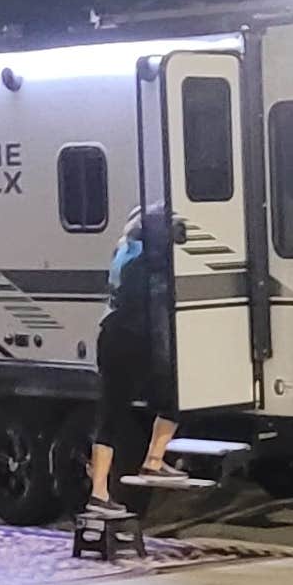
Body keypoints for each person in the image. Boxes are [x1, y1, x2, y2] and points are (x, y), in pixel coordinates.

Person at [81, 204, 180, 518]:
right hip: (135, 339)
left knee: (110, 414)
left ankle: (99, 493)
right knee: (174, 398)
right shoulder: (151, 263)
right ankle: (153, 460)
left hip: (109, 335)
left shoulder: (123, 250)